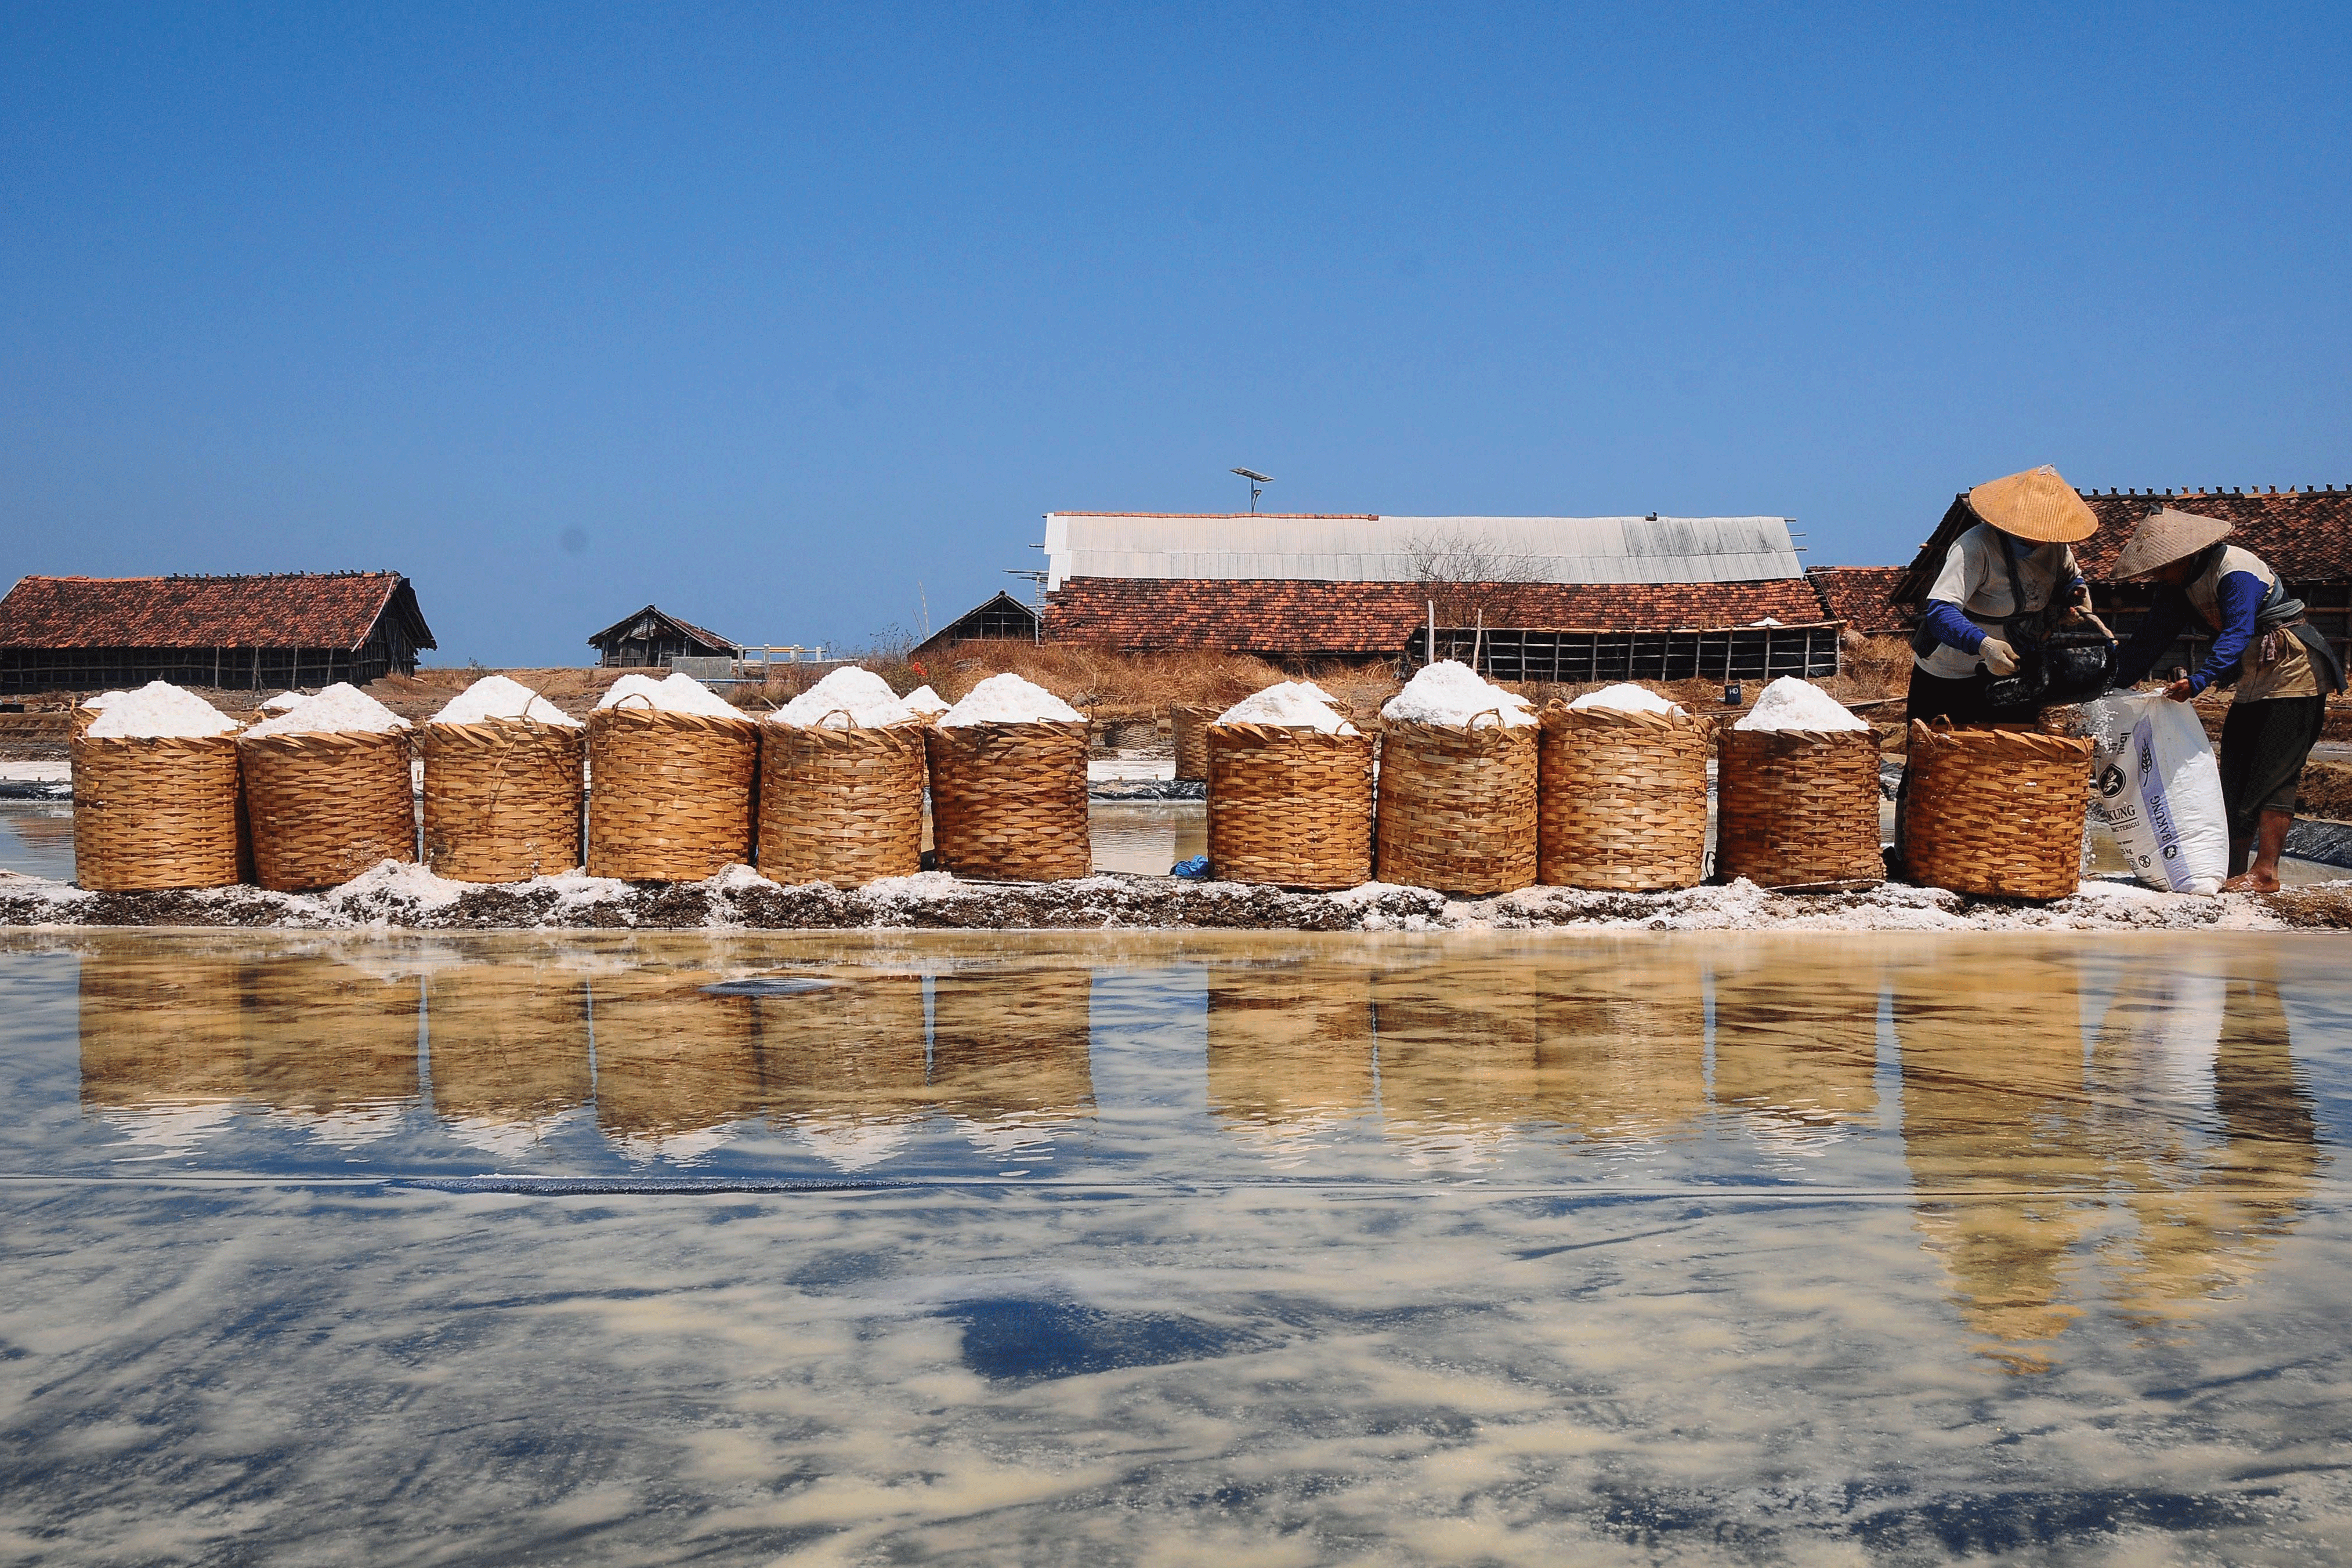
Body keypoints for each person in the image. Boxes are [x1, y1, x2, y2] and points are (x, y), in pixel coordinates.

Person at [2111, 508, 2346, 892]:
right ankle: (2232, 866)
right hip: (2255, 675)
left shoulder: (2234, 570)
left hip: (2293, 669)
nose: (2156, 576)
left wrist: (2201, 680)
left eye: (2160, 568)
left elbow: (2237, 633)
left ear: (2184, 557)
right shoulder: (2178, 589)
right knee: (2236, 766)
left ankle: (2265, 871)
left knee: (2274, 771)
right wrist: (2113, 686)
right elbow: (2151, 640)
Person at [1908, 465, 2101, 726]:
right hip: (1950, 673)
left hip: (2014, 668)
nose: (2034, 541)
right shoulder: (1975, 546)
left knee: (2007, 755)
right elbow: (1940, 613)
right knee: (1942, 757)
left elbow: (2070, 580)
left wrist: (2075, 596)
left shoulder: (2056, 549)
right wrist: (1985, 647)